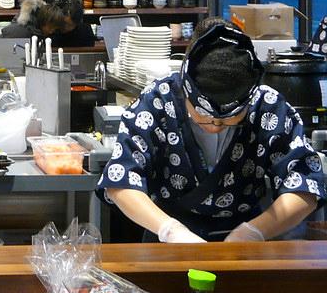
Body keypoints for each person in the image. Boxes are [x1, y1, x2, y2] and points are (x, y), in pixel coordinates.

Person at [98, 22, 325, 243]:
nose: (215, 126)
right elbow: (121, 179)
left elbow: (305, 184)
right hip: (166, 236)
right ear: (185, 92)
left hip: (245, 240)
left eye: (229, 120)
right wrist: (169, 230)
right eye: (205, 117)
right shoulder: (157, 100)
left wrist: (255, 231)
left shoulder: (267, 105)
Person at [0, 0, 96, 48]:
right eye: (64, 23)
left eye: (69, 25)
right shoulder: (23, 31)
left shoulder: (84, 32)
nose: (64, 27)